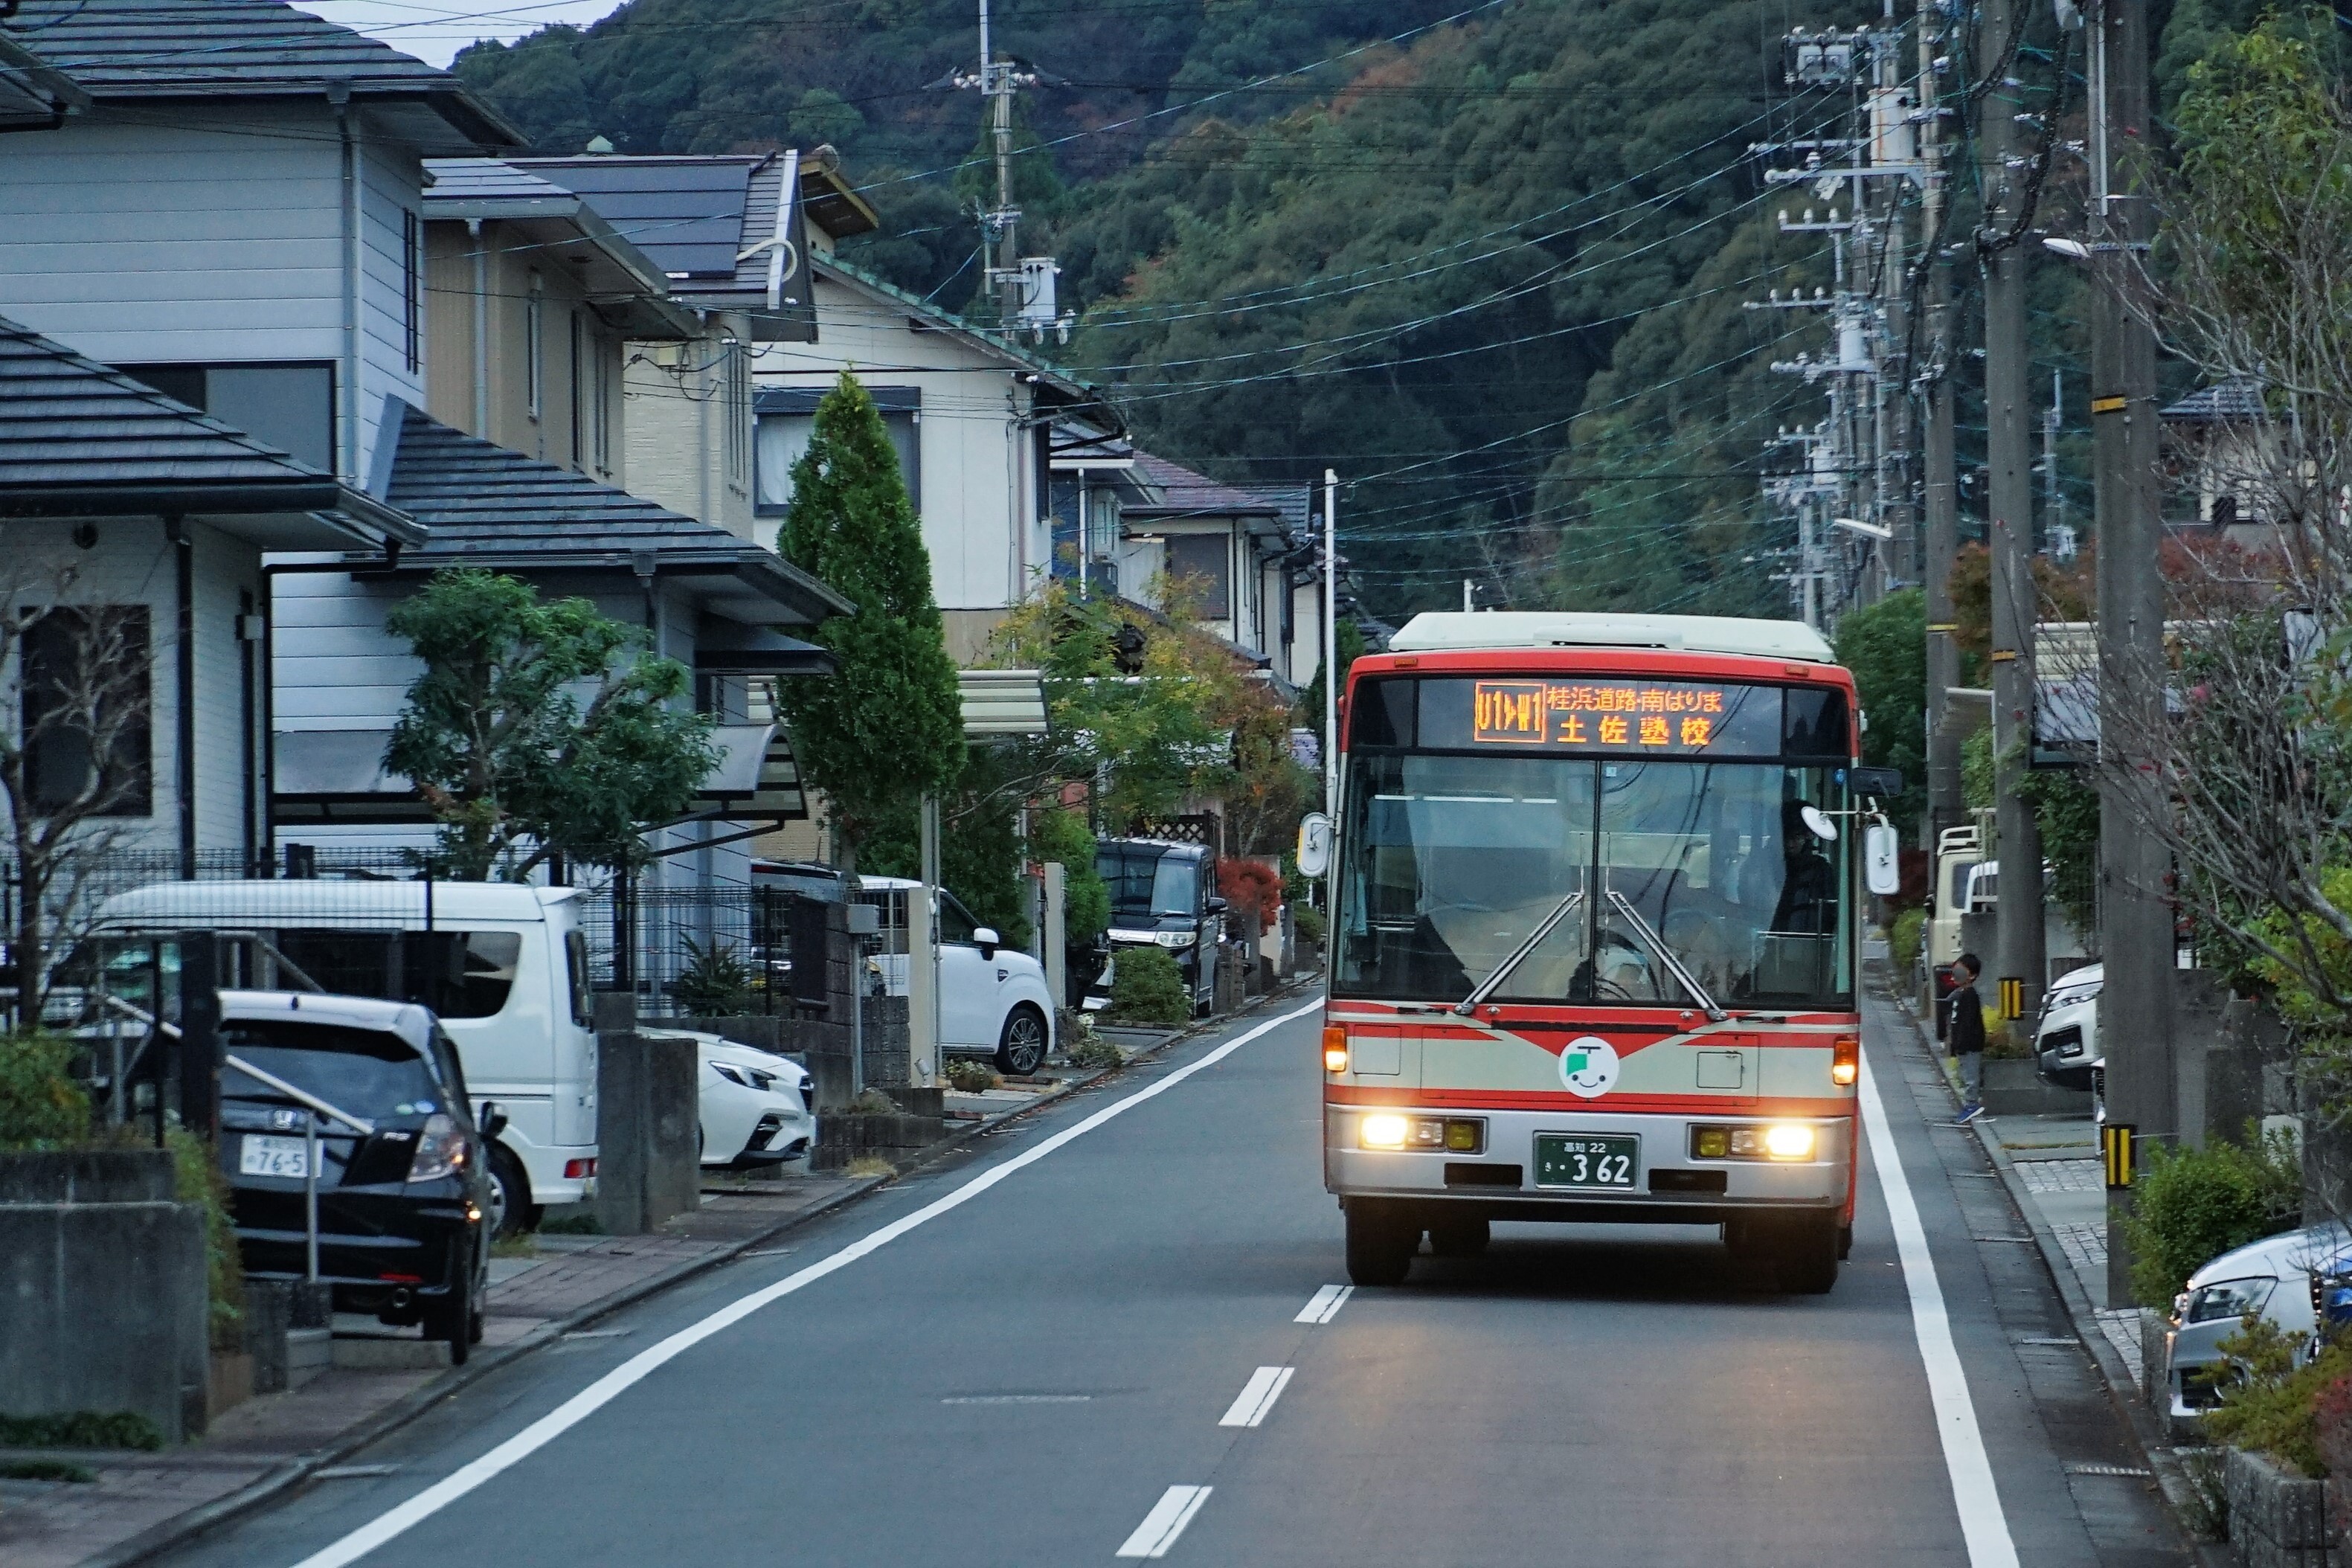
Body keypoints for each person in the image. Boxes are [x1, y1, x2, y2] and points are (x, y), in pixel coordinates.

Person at [1948, 952, 1987, 1122]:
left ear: (1971, 976)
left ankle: (1972, 1104)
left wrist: (1961, 1043)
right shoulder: (1960, 994)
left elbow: (1969, 1022)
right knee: (1966, 1074)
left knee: (1970, 1075)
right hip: (1962, 1043)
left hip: (1970, 1043)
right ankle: (1970, 1103)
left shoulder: (1970, 996)